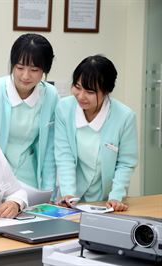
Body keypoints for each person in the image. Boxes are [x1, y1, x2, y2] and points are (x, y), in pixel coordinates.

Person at [0, 33, 59, 200]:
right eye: (20, 67)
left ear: (45, 70)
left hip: (31, 181)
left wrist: (48, 192)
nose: (26, 76)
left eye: (34, 70)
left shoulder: (51, 95)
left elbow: (50, 148)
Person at [54, 55, 138, 211]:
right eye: (77, 87)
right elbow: (64, 155)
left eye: (90, 91)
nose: (81, 96)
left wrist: (116, 197)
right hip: (71, 200)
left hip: (106, 200)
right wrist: (68, 194)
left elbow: (126, 163)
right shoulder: (64, 109)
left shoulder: (125, 117)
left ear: (106, 91)